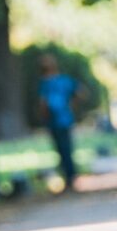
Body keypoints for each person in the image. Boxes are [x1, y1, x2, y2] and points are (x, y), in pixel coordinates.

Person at [37, 54, 85, 191]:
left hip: (55, 121)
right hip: (66, 119)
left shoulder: (45, 83)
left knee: (61, 149)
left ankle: (70, 178)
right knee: (67, 148)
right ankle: (71, 176)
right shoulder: (65, 80)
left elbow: (43, 103)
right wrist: (71, 104)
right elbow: (81, 92)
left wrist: (43, 117)